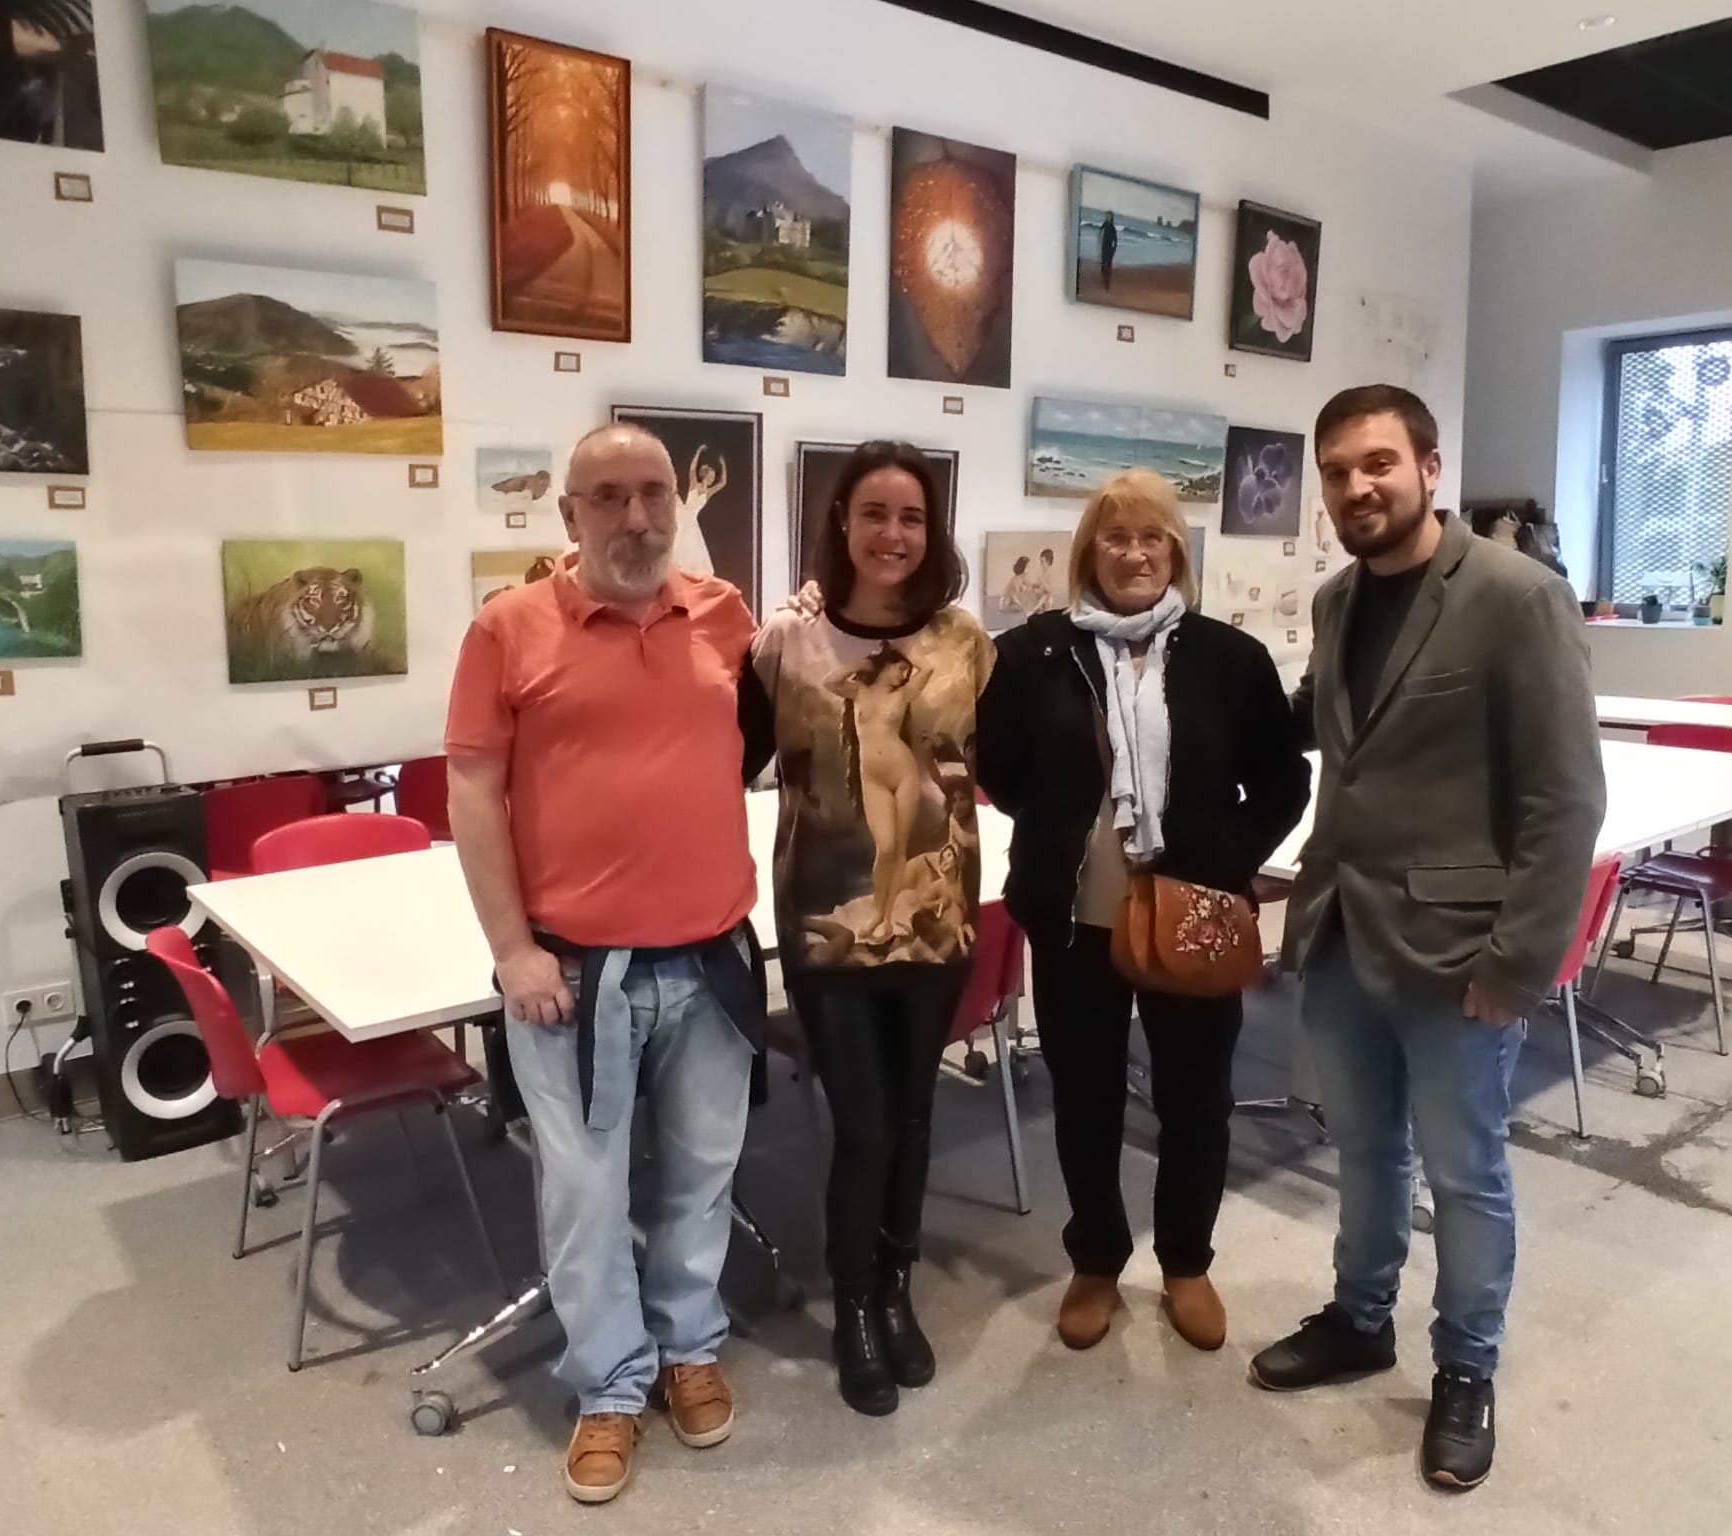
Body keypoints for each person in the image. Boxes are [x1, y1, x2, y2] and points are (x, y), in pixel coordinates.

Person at [1247, 386, 1605, 1493]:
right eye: (1338, 473)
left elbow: (1563, 800)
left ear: (1427, 468)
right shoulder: (1334, 600)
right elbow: (1321, 724)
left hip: (1460, 952)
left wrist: (1518, 960)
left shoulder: (1515, 598)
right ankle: (1360, 1318)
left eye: (1377, 465)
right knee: (1360, 1149)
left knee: (1463, 1172)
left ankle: (1464, 1369)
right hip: (1343, 929)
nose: (1358, 487)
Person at [445, 424, 775, 1505]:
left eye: (653, 493)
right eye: (609, 497)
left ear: (677, 501)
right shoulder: (507, 629)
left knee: (702, 1174)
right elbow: (472, 796)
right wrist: (511, 951)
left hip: (712, 956)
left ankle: (688, 1344)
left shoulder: (722, 616)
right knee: (585, 1196)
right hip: (573, 978)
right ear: (569, 515)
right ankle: (611, 1386)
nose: (635, 517)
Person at [976, 468, 1306, 1355]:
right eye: (1116, 538)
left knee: (1198, 1097)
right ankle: (1095, 1260)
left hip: (1193, 912)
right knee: (1082, 1097)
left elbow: (1284, 781)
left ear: (1175, 552)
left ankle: (1187, 1262)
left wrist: (1224, 858)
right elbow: (1001, 769)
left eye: (1151, 537)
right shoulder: (1031, 652)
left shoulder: (1227, 658)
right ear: (1089, 552)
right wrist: (1059, 831)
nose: (1133, 553)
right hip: (1074, 919)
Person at [747, 441, 993, 1416]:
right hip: (826, 919)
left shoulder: (964, 642)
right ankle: (852, 1303)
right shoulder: (786, 645)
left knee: (918, 1112)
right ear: (840, 522)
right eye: (874, 514)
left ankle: (895, 1287)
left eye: (911, 517)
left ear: (929, 532)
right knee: (863, 1122)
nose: (892, 535)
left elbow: (1017, 758)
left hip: (937, 912)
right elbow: (716, 761)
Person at [673, 444, 728, 576]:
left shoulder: (707, 492)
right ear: (706, 476)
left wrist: (722, 463)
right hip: (683, 515)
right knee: (679, 546)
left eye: (713, 478)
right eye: (711, 477)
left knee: (691, 551)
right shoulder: (694, 486)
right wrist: (698, 451)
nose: (712, 479)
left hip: (692, 520)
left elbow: (722, 483)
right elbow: (692, 469)